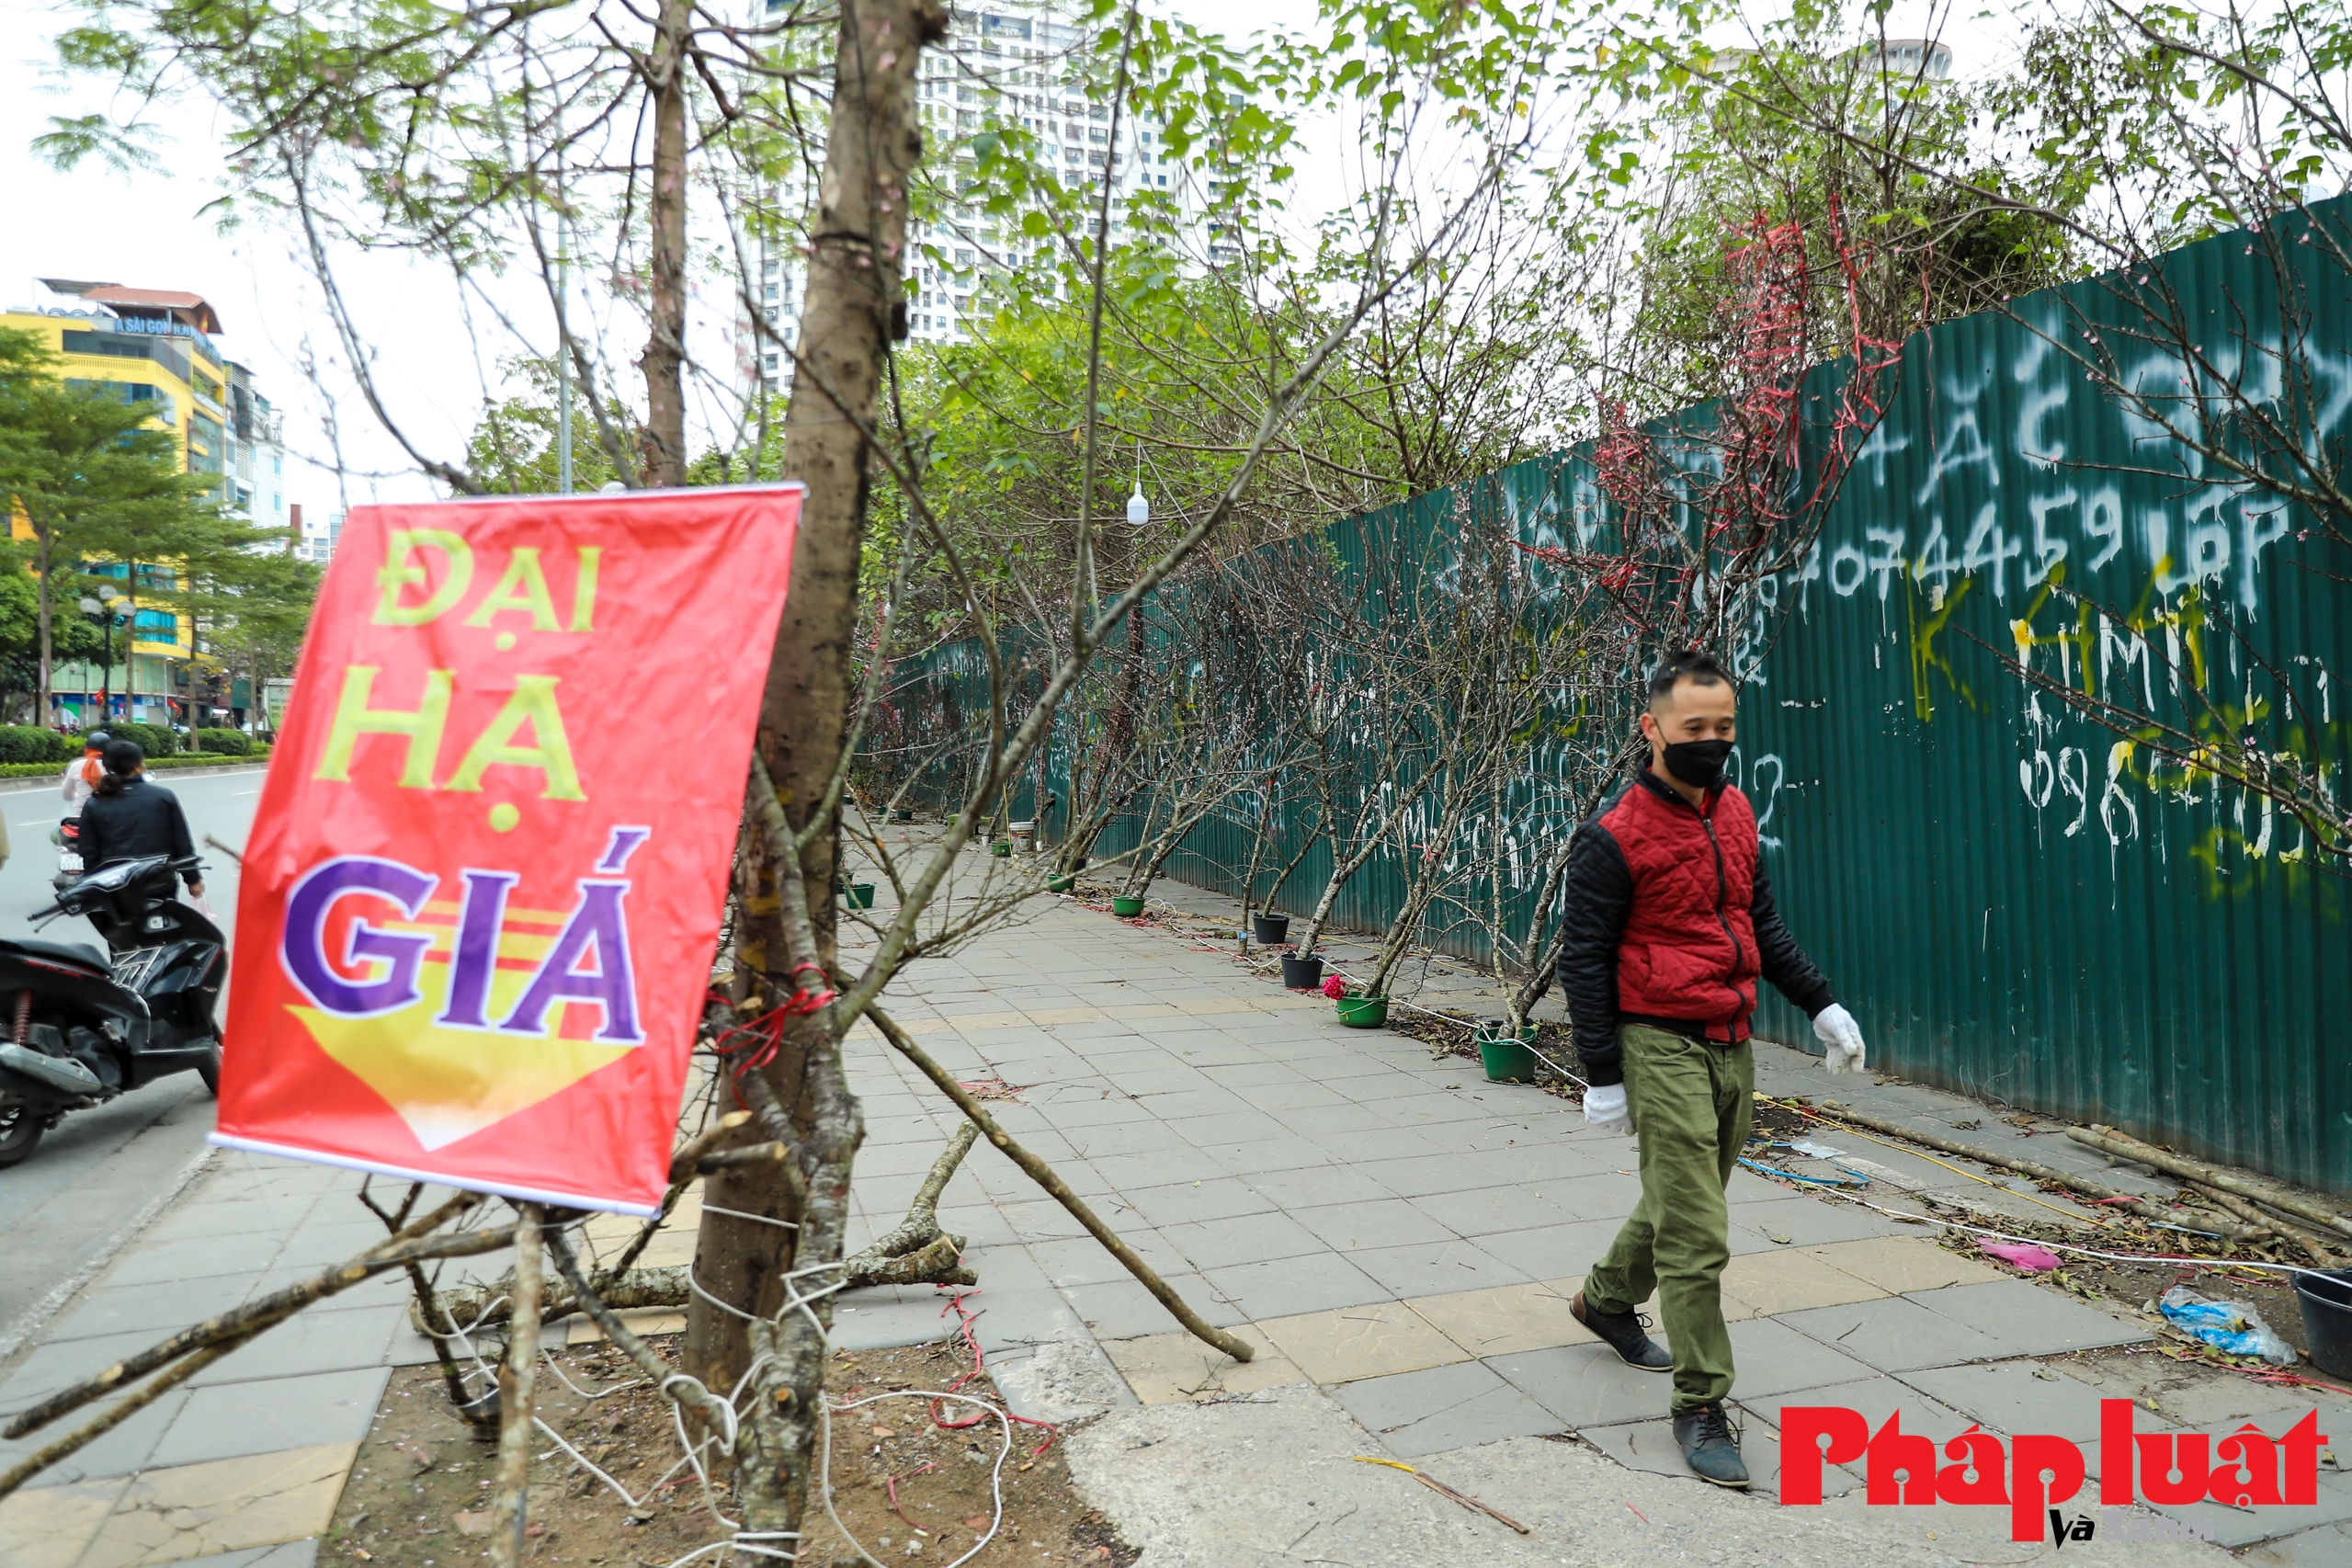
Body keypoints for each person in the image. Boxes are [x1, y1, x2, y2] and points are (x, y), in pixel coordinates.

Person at [1555, 650, 1866, 1490]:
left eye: (1723, 727)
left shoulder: (1732, 810)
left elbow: (1756, 921)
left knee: (1684, 1197)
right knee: (1698, 1233)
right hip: (1656, 1039)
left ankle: (1604, 1300)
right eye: (1694, 729)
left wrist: (1819, 1003)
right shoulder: (1612, 838)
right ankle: (1699, 1404)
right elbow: (1581, 958)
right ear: (1651, 729)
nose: (1711, 742)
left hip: (1730, 1033)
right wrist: (1602, 1072)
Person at [77, 740, 205, 903]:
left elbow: (88, 851)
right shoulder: (163, 797)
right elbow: (182, 843)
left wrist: (93, 883)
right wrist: (193, 879)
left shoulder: (95, 803)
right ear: (137, 766)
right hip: (159, 881)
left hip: (114, 885)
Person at [60, 730, 110, 819]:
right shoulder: (113, 766)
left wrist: (78, 796)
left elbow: (66, 793)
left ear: (87, 748)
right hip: (106, 817)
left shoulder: (76, 765)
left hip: (79, 817)